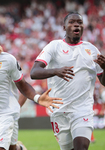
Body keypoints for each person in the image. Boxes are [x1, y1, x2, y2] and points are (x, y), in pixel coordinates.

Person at [30, 11, 105, 150]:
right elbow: (34, 72)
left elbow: (104, 81)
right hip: (59, 110)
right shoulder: (54, 46)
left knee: (81, 147)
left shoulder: (92, 50)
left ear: (83, 27)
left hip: (83, 109)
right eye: (71, 22)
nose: (76, 25)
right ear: (64, 28)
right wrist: (55, 71)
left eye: (79, 22)